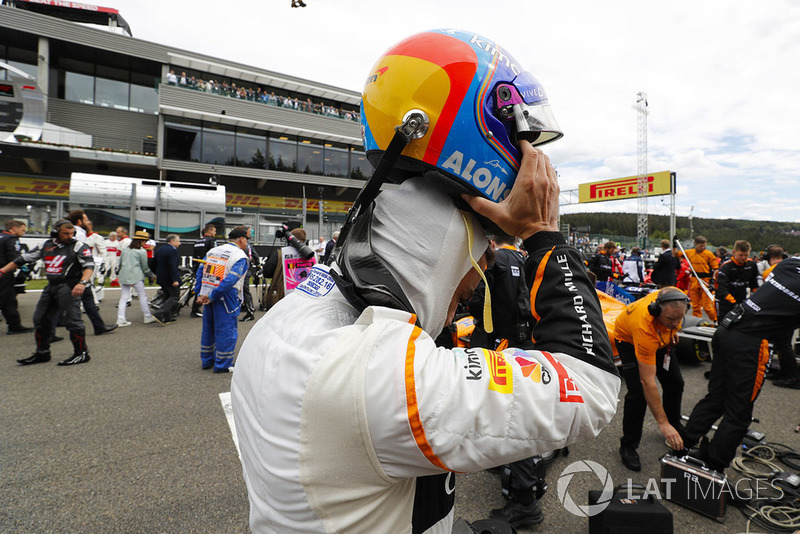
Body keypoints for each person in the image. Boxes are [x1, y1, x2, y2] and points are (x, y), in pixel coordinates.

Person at [231, 29, 619, 533]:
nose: (475, 280)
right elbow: (591, 388)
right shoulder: (372, 376)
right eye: (478, 258)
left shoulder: (299, 317)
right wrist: (542, 234)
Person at [684, 255, 800, 472]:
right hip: (752, 342)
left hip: (728, 328)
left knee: (717, 396)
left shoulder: (790, 262)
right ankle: (713, 465)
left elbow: (769, 278)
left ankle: (683, 443)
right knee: (739, 411)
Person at [467, 232, 546, 528]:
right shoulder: (526, 259)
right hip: (525, 345)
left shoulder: (494, 261)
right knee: (515, 411)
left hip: (498, 347)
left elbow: (476, 301)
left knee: (510, 418)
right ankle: (509, 466)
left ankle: (526, 502)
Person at [614, 287, 690, 471]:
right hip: (629, 341)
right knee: (638, 394)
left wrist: (672, 330)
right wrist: (661, 423)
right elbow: (647, 381)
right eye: (671, 320)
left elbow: (674, 318)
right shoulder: (645, 328)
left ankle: (674, 427)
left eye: (679, 318)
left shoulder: (674, 294)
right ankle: (628, 446)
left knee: (675, 383)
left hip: (660, 337)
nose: (676, 323)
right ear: (656, 312)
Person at [0, 220, 94, 365]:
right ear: (55, 232)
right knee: (40, 319)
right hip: (51, 286)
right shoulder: (46, 245)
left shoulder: (78, 246)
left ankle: (81, 353)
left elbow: (88, 266)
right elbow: (22, 259)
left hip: (69, 286)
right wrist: (2, 271)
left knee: (73, 320)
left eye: (71, 233)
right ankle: (42, 353)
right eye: (65, 233)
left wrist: (82, 283)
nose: (69, 236)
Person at [195, 226, 250, 372]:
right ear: (241, 239)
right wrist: (214, 295)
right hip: (226, 296)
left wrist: (199, 293)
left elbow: (200, 271)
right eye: (247, 239)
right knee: (226, 330)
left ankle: (207, 360)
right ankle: (223, 364)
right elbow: (231, 280)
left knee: (208, 329)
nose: (247, 243)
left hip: (206, 293)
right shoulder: (240, 256)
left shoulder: (213, 251)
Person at [66, 210, 117, 335]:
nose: (87, 222)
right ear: (79, 221)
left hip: (79, 270)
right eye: (85, 219)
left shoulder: (79, 232)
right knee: (72, 299)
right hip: (78, 271)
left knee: (87, 298)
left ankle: (99, 326)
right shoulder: (78, 233)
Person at [260, 227, 315, 310]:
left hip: (283, 297)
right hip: (307, 297)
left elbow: (267, 273)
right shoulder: (313, 254)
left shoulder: (280, 253)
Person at [0, 219, 34, 334]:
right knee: (8, 300)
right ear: (14, 228)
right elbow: (15, 258)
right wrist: (26, 272)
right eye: (22, 230)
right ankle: (14, 326)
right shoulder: (11, 239)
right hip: (4, 272)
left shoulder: (1, 236)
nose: (24, 232)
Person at [116, 230, 156, 327]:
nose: (145, 243)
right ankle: (147, 316)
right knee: (142, 296)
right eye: (145, 241)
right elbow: (144, 267)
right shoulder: (142, 251)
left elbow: (120, 263)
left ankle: (120, 319)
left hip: (124, 275)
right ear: (142, 241)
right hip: (136, 276)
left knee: (124, 296)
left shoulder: (125, 250)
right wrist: (151, 275)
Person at [675, 235, 718, 323]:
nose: (703, 247)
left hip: (706, 281)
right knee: (695, 306)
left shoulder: (709, 254)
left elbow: (716, 269)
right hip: (694, 280)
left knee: (707, 307)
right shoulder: (689, 252)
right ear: (695, 244)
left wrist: (713, 281)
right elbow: (676, 254)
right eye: (701, 245)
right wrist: (674, 245)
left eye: (704, 245)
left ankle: (716, 320)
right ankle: (697, 322)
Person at [715, 240, 759, 322]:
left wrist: (758, 298)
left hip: (741, 300)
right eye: (740, 255)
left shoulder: (751, 265)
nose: (743, 258)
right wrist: (734, 303)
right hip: (724, 302)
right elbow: (722, 288)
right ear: (734, 252)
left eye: (746, 255)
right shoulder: (726, 267)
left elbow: (754, 285)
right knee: (722, 326)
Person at [151, 234, 182, 325]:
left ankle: (168, 317)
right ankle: (160, 314)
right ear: (172, 241)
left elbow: (153, 263)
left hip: (161, 277)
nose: (179, 243)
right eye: (178, 241)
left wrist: (155, 273)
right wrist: (175, 279)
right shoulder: (172, 251)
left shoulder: (160, 249)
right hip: (170, 279)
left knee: (167, 296)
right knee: (175, 296)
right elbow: (173, 267)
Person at [190, 224, 218, 318]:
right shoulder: (211, 241)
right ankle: (196, 308)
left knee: (198, 286)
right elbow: (214, 254)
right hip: (208, 267)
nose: (215, 233)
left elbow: (194, 255)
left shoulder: (197, 241)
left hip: (197, 266)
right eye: (214, 231)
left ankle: (194, 306)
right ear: (209, 231)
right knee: (207, 286)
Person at [239, 226, 259, 322]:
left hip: (244, 270)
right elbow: (256, 256)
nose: (251, 234)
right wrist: (257, 264)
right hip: (246, 269)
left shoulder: (245, 245)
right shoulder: (248, 244)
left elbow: (255, 256)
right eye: (250, 232)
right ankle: (246, 306)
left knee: (245, 290)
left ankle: (250, 311)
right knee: (243, 290)